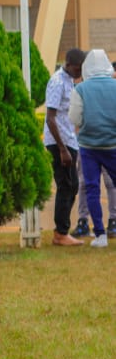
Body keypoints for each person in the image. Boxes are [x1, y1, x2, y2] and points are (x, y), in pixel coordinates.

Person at [68, 48, 116, 248]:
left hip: (88, 147)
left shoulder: (80, 89)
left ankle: (99, 235)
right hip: (113, 145)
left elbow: (74, 118)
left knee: (92, 189)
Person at [43, 48, 85, 247]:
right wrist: (62, 149)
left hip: (69, 141)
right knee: (65, 185)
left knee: (73, 185)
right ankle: (60, 233)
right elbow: (50, 118)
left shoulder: (70, 81)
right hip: (59, 143)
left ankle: (61, 231)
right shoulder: (58, 82)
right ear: (68, 64)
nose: (80, 72)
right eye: (78, 68)